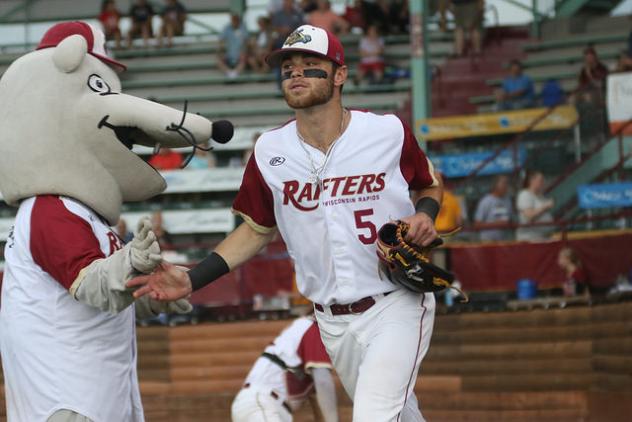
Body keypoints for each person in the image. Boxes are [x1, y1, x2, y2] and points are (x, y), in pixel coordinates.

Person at [129, 24, 444, 421]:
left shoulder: (387, 132)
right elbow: (256, 229)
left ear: (340, 75)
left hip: (394, 300)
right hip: (330, 319)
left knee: (374, 415)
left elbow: (429, 185)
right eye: (288, 67)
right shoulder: (268, 150)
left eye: (310, 65)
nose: (296, 73)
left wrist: (424, 215)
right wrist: (193, 278)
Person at [231, 315, 339, 421]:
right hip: (263, 403)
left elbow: (317, 396)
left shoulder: (303, 328)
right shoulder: (315, 327)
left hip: (264, 406)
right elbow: (323, 382)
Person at [516, 171, 554, 242]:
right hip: (530, 238)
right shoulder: (525, 195)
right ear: (532, 181)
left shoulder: (540, 196)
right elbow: (529, 215)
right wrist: (545, 206)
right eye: (540, 180)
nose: (543, 183)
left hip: (543, 237)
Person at [473, 175, 513, 242]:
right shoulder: (486, 201)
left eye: (507, 183)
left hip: (504, 242)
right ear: (495, 185)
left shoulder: (508, 201)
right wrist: (496, 224)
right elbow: (477, 224)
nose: (506, 186)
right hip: (488, 242)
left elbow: (510, 219)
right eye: (504, 183)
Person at [218, 14, 249, 79]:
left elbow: (246, 41)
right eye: (233, 20)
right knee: (219, 60)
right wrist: (221, 51)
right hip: (229, 53)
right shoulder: (227, 28)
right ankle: (229, 73)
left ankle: (235, 73)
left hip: (240, 53)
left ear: (239, 21)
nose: (234, 22)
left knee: (244, 58)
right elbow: (221, 40)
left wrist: (243, 51)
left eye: (236, 20)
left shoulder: (243, 28)